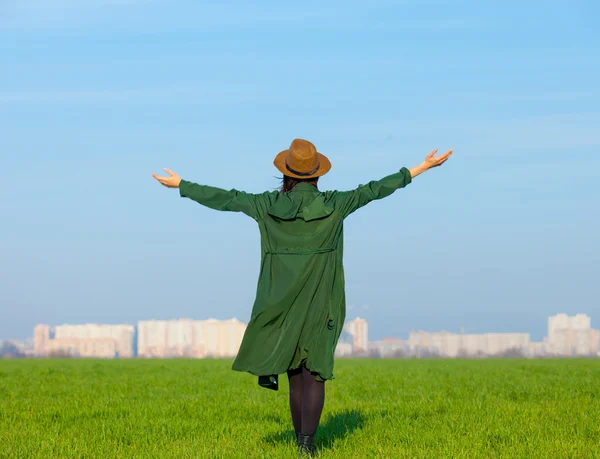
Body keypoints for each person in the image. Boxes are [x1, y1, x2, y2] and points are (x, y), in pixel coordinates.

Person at [152, 139, 452, 456]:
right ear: (317, 174)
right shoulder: (336, 204)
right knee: (315, 372)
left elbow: (227, 199)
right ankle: (308, 446)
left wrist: (181, 184)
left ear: (286, 174)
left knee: (295, 374)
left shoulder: (265, 205)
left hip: (279, 302)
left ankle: (299, 445)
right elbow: (374, 190)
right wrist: (422, 167)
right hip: (323, 300)